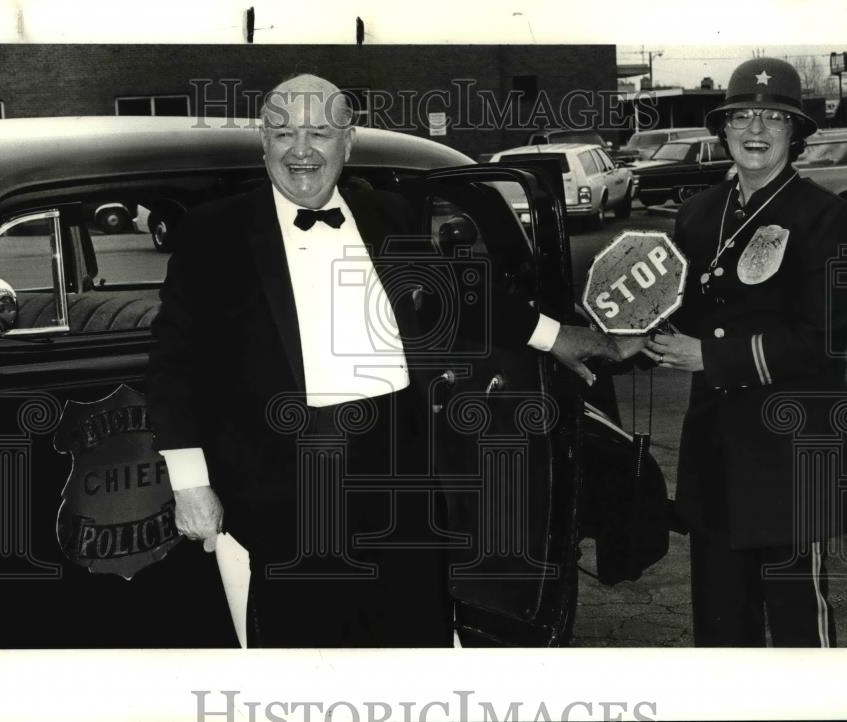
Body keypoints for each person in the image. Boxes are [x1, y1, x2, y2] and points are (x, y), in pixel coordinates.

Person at [146, 73, 625, 647]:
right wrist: (191, 484)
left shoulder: (389, 213)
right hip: (283, 482)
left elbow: (461, 299)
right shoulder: (214, 233)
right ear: (263, 144)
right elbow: (173, 364)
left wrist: (558, 338)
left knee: (411, 637)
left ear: (347, 144)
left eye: (320, 132)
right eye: (283, 133)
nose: (301, 150)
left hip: (399, 469)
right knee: (303, 656)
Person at [644, 57, 847, 646]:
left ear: (794, 133)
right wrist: (632, 330)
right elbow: (675, 314)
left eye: (773, 117)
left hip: (791, 456)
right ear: (722, 129)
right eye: (743, 114)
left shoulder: (827, 218)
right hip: (715, 455)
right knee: (720, 625)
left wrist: (711, 358)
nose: (756, 128)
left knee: (798, 622)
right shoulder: (696, 214)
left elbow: (825, 336)